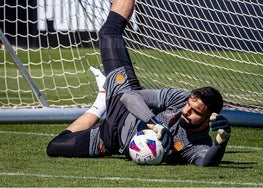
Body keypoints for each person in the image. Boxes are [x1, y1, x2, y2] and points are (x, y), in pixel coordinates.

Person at [46, 0, 231, 167]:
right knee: (109, 33)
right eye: (189, 105)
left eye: (196, 112)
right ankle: (108, 95)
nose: (186, 111)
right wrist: (155, 124)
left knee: (54, 147)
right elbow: (129, 97)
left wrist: (221, 143)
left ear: (210, 118)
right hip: (123, 104)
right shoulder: (180, 99)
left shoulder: (197, 143)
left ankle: (100, 103)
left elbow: (206, 161)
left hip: (112, 139)